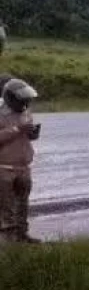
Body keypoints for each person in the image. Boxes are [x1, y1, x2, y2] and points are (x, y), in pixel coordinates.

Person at [0, 79, 41, 243]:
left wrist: (32, 134)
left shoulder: (26, 112)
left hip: (23, 167)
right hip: (4, 169)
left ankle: (22, 235)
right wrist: (17, 130)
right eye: (22, 99)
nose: (25, 103)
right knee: (6, 208)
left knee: (22, 205)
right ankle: (9, 242)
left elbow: (25, 135)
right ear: (11, 98)